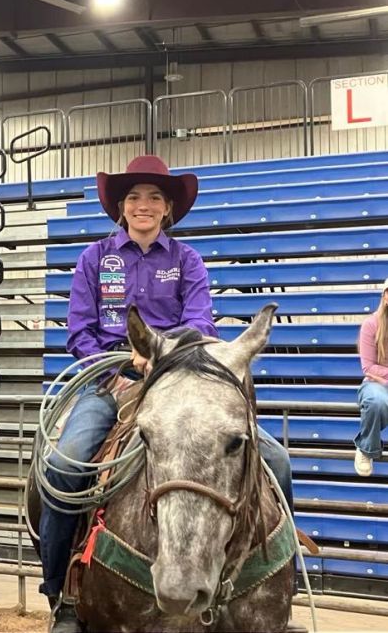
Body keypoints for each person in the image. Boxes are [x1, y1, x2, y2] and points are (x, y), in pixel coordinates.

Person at [39, 155, 295, 633]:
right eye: (134, 196)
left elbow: (201, 323)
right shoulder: (95, 259)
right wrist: (124, 362)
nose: (143, 205)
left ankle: (276, 578)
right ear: (121, 206)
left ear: (167, 208)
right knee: (66, 463)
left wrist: (162, 353)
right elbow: (79, 334)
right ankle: (63, 594)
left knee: (276, 463)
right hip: (111, 383)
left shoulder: (187, 261)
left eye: (154, 197)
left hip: (178, 383)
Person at [354, 278, 388, 476]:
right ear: (385, 297)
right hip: (376, 384)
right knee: (376, 402)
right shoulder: (371, 325)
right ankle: (367, 448)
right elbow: (368, 367)